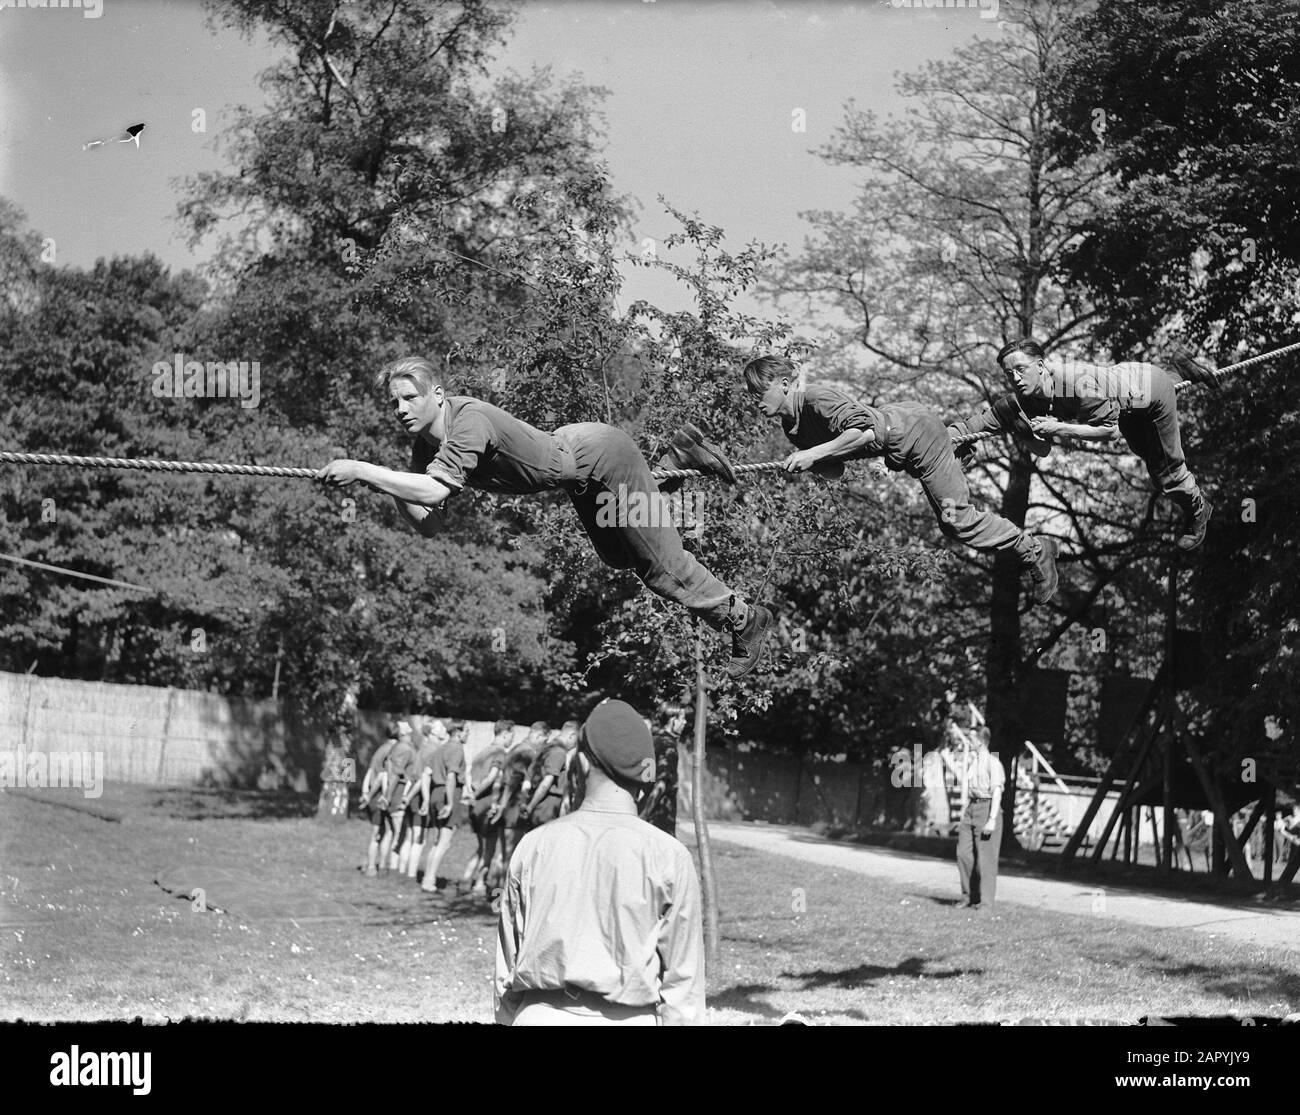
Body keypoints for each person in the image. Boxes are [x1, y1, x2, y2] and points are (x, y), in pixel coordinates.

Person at [320, 356, 774, 679]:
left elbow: (435, 491)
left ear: (436, 395)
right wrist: (386, 483)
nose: (400, 410)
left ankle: (744, 619)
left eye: (408, 398)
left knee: (662, 566)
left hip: (599, 456)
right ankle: (677, 457)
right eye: (393, 403)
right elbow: (431, 524)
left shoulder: (468, 419)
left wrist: (363, 469)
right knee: (621, 555)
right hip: (579, 475)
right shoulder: (425, 448)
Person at [743, 355, 1059, 606]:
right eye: (751, 394)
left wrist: (813, 454)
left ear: (784, 384)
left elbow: (864, 431)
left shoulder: (815, 399)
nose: (754, 399)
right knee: (942, 452)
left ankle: (1034, 550)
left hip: (914, 436)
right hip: (906, 429)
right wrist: (814, 464)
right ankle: (996, 417)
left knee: (955, 520)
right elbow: (835, 470)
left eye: (759, 391)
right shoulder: (792, 427)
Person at [495, 698, 704, 1025]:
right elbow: (683, 988)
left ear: (580, 764)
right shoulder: (670, 855)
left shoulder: (533, 846)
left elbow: (506, 970)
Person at [949, 339, 1214, 550]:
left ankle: (1199, 509)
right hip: (1124, 390)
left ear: (1040, 366)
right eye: (1009, 374)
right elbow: (981, 422)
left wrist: (1059, 428)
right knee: (1145, 451)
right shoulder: (1026, 397)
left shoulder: (1074, 383)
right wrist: (946, 439)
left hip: (1149, 396)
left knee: (1165, 472)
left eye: (1021, 370)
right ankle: (1178, 369)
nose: (1016, 378)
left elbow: (1111, 433)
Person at [488, 721, 545, 886]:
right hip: (513, 806)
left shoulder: (514, 749)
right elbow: (514, 781)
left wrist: (498, 804)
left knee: (502, 851)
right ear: (537, 735)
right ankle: (500, 895)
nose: (543, 745)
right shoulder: (526, 754)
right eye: (543, 740)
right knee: (511, 853)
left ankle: (491, 889)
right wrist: (504, 806)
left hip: (505, 805)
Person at [462, 719, 513, 895]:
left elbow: (469, 775)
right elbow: (493, 777)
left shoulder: (481, 753)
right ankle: (479, 885)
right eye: (511, 734)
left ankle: (466, 879)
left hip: (475, 806)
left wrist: (471, 793)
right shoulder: (500, 753)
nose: (512, 739)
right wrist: (476, 795)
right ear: (505, 733)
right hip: (487, 805)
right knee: (489, 848)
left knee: (481, 846)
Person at [954, 726, 1004, 909]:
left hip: (987, 807)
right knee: (963, 853)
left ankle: (986, 902)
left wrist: (992, 819)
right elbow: (966, 785)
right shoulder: (973, 762)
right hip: (972, 808)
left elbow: (997, 791)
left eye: (971, 738)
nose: (968, 741)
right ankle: (968, 897)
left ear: (981, 741)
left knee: (986, 859)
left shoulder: (993, 763)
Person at [419, 719, 467, 892]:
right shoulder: (456, 748)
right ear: (459, 732)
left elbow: (426, 774)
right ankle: (429, 880)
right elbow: (451, 776)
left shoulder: (441, 749)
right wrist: (450, 802)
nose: (468, 734)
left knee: (438, 840)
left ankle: (427, 877)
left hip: (434, 794)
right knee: (444, 842)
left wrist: (425, 798)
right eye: (467, 731)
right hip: (448, 794)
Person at [400, 719, 449, 879]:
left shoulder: (424, 748)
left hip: (414, 794)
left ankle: (400, 872)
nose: (444, 730)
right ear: (433, 732)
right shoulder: (433, 751)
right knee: (418, 839)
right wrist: (410, 797)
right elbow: (423, 777)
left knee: (410, 836)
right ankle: (411, 875)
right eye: (441, 728)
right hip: (420, 796)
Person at [639, 705, 685, 836]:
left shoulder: (654, 740)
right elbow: (661, 784)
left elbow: (645, 779)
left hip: (644, 804)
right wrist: (644, 815)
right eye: (682, 719)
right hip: (660, 814)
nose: (685, 723)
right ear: (672, 720)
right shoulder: (668, 746)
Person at [520, 724, 574, 830]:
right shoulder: (559, 752)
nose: (574, 745)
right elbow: (547, 782)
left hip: (535, 803)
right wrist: (530, 806)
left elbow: (528, 778)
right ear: (572, 735)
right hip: (547, 807)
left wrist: (525, 802)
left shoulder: (544, 749)